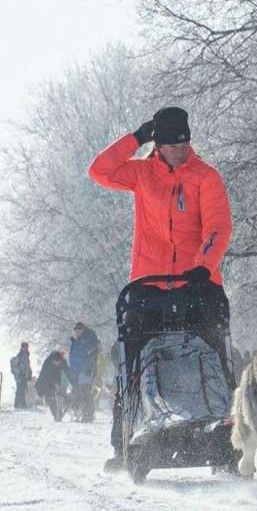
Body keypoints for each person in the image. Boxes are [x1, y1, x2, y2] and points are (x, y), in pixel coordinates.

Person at [88, 106, 232, 471]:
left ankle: (226, 441)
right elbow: (99, 171)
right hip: (148, 284)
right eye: (172, 144)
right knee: (133, 362)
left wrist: (203, 266)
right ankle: (124, 446)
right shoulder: (140, 175)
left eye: (185, 143)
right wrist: (134, 139)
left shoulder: (206, 177)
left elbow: (218, 227)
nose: (181, 150)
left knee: (214, 356)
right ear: (158, 145)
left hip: (197, 284)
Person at [69, 323, 100, 422]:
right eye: (76, 331)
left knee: (85, 393)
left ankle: (88, 416)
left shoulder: (88, 339)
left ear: (82, 330)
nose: (76, 332)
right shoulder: (80, 340)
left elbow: (89, 355)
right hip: (79, 371)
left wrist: (89, 368)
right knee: (81, 393)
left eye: (78, 330)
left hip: (85, 370)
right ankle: (86, 415)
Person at [35, 350, 72, 421]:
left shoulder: (62, 361)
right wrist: (55, 384)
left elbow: (68, 372)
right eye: (56, 363)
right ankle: (55, 414)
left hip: (56, 381)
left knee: (60, 394)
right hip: (45, 382)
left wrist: (74, 383)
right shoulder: (48, 363)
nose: (57, 364)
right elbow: (49, 375)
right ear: (53, 361)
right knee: (50, 396)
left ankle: (60, 410)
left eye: (58, 362)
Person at [10, 342, 32, 410]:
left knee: (23, 389)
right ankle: (18, 404)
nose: (25, 348)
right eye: (24, 347)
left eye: (26, 347)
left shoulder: (26, 356)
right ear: (22, 347)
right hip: (20, 375)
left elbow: (27, 366)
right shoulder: (20, 355)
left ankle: (22, 403)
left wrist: (29, 373)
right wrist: (18, 375)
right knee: (20, 389)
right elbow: (16, 366)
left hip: (24, 375)